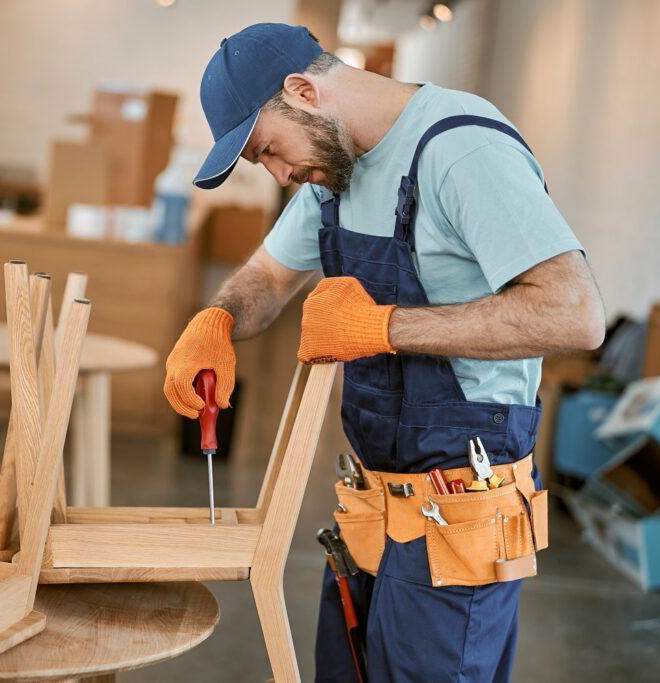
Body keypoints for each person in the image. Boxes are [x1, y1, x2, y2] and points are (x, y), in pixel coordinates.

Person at [163, 23, 604, 682]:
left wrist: (385, 328)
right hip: (373, 510)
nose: (281, 175)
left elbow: (576, 313)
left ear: (304, 90)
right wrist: (218, 320)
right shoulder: (333, 173)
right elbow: (268, 277)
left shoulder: (460, 149)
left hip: (461, 515)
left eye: (267, 151)